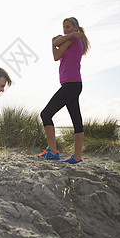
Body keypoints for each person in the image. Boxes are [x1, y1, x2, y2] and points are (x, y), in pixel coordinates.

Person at [37, 17, 90, 164]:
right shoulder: (70, 40)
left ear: (75, 27)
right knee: (76, 120)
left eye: (68, 27)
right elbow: (56, 55)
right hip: (72, 84)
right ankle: (76, 157)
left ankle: (53, 152)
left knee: (45, 114)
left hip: (71, 85)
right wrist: (55, 42)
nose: (65, 30)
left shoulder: (72, 40)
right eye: (64, 27)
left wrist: (65, 37)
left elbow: (55, 44)